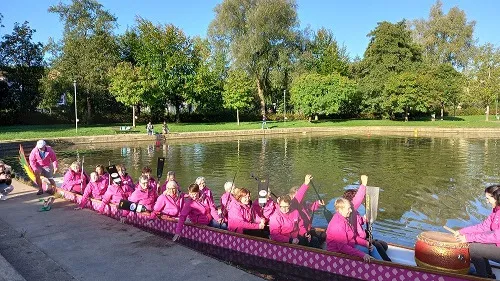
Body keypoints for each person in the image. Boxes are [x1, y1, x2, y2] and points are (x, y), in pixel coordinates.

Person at [454, 185, 500, 278]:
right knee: (477, 240)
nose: (487, 201)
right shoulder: (496, 210)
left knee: (473, 248)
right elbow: (484, 226)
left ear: (495, 198)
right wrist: (462, 232)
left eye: (488, 198)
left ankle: (481, 277)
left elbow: (496, 237)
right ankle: (489, 275)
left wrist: (468, 238)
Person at [342, 175, 391, 261]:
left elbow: (358, 220)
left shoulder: (354, 213)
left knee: (384, 245)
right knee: (377, 246)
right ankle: (387, 264)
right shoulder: (349, 212)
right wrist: (363, 184)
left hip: (362, 239)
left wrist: (364, 219)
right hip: (357, 241)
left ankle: (385, 261)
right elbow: (357, 201)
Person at [326, 198, 383, 262]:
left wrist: (366, 243)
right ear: (340, 210)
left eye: (350, 208)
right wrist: (362, 255)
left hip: (349, 245)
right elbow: (343, 247)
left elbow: (353, 237)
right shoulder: (337, 225)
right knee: (366, 251)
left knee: (372, 248)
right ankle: (381, 266)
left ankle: (382, 264)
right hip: (337, 254)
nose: (350, 210)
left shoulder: (345, 219)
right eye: (348, 209)